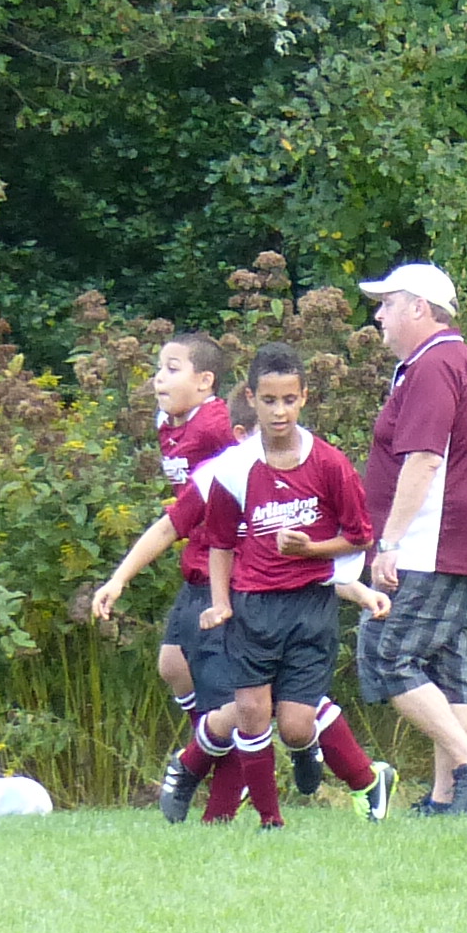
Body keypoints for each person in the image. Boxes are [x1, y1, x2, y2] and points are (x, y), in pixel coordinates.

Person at [169, 345, 379, 828]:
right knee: (249, 710)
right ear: (251, 399)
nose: (279, 411)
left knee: (297, 725)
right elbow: (221, 542)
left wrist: (312, 549)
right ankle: (270, 821)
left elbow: (359, 536)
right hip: (253, 606)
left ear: (304, 397)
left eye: (288, 399)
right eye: (268, 400)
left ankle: (312, 754)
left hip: (310, 605)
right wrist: (220, 602)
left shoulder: (330, 464)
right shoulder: (235, 468)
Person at [342, 265, 467, 817]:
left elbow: (423, 458)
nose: (379, 316)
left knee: (385, 654)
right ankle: (447, 799)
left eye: (387, 304)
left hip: (428, 544)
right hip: (454, 543)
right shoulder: (449, 361)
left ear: (419, 307)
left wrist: (389, 542)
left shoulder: (434, 365)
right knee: (444, 667)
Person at [82, 333, 257, 818]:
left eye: (173, 368)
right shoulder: (170, 424)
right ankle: (215, 750)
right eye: (158, 368)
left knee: (225, 693)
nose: (159, 378)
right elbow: (180, 514)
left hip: (229, 569)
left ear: (205, 382)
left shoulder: (218, 424)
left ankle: (223, 783)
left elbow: (253, 461)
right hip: (196, 559)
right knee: (172, 665)